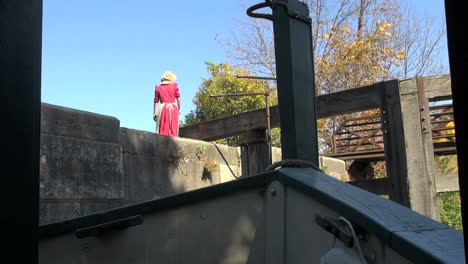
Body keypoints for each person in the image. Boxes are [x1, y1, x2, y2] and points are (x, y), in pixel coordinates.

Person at [153, 71, 181, 136]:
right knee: (173, 128)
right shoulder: (174, 86)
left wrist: (154, 113)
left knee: (163, 127)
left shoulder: (158, 87)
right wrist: (179, 109)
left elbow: (156, 101)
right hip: (174, 108)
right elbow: (178, 99)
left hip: (163, 109)